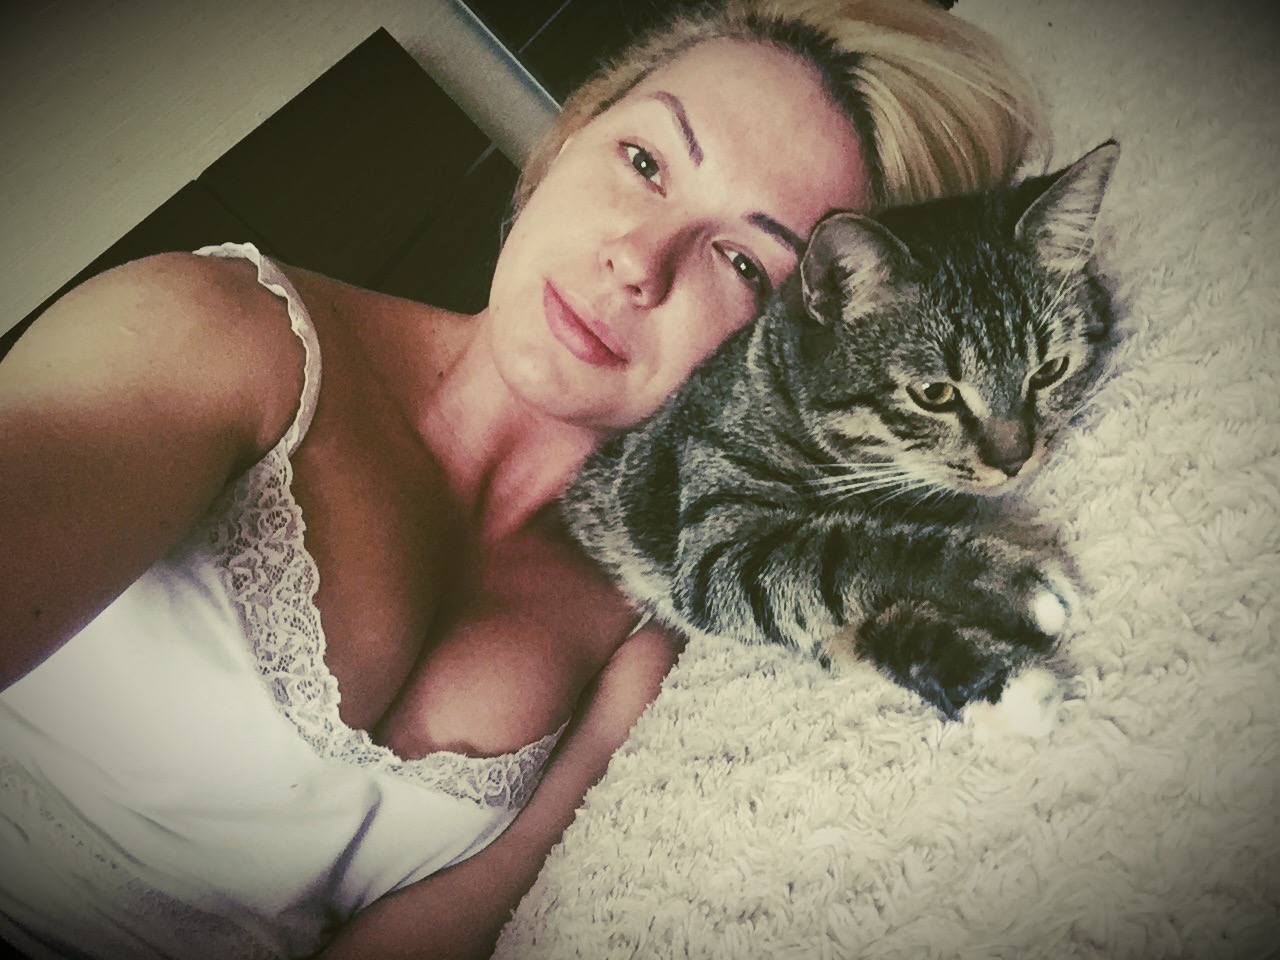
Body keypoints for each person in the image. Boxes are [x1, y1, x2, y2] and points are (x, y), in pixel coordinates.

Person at [0, 1, 1043, 957]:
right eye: (644, 160)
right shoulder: (211, 335)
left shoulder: (640, 636)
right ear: (568, 139)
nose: (639, 260)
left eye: (742, 265)